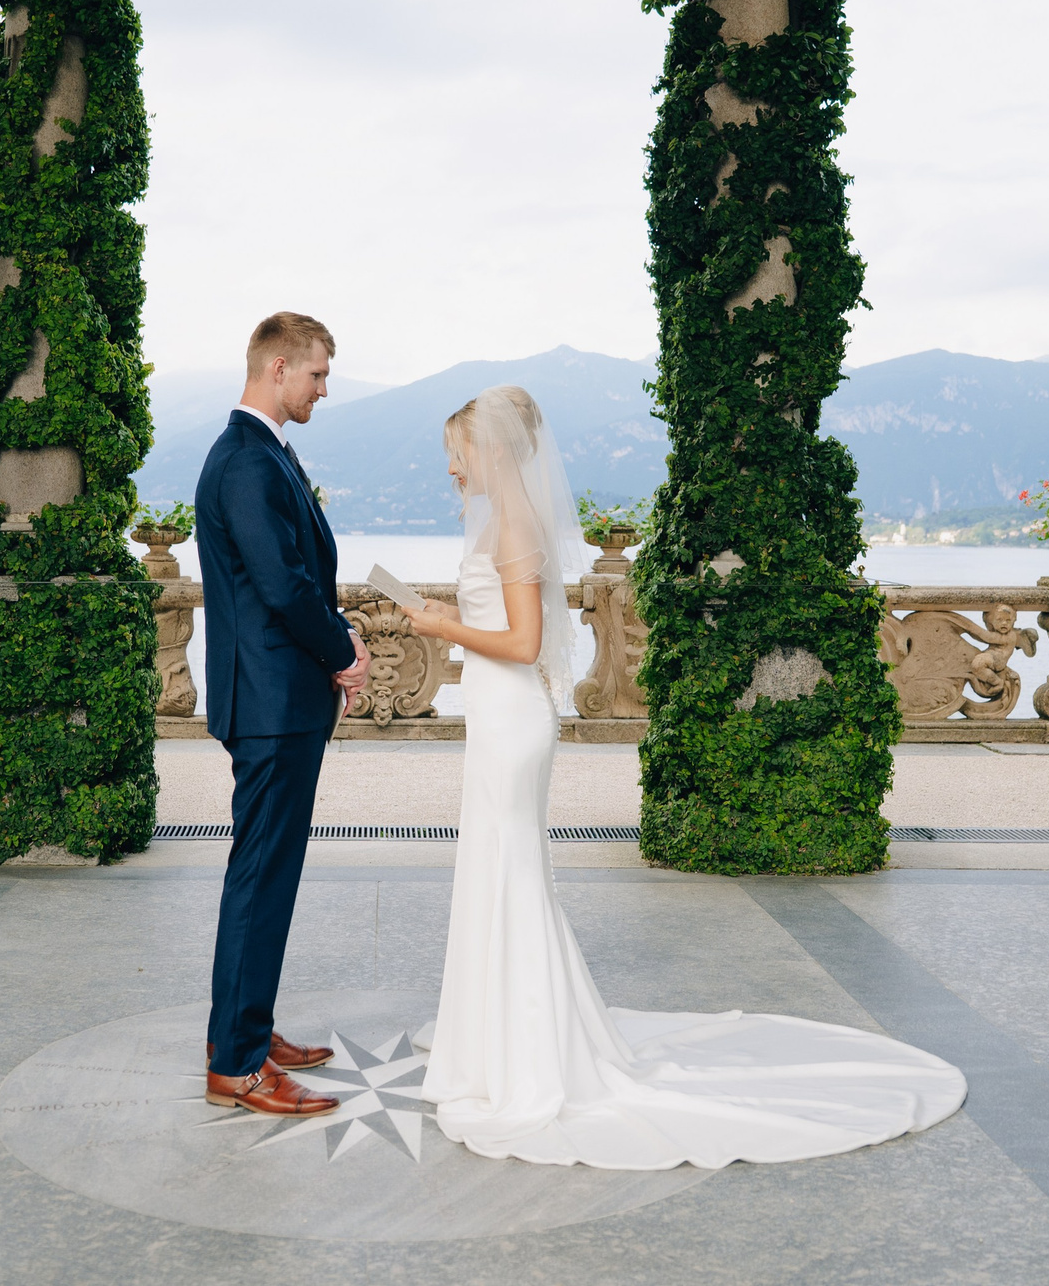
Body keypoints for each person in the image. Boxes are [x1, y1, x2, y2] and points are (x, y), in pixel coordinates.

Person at [399, 385, 968, 1169]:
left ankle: (522, 1056)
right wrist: (452, 616)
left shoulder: (515, 520)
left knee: (512, 875)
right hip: (497, 717)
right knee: (500, 871)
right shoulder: (503, 519)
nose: (452, 466)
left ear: (490, 447)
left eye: (458, 450)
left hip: (511, 718)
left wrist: (438, 625)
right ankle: (496, 1039)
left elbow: (525, 641)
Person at [194, 312, 370, 1117]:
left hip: (277, 699)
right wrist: (343, 652)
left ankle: (246, 1031)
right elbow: (284, 586)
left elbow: (295, 575)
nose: (323, 390)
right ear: (276, 367)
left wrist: (336, 640)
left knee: (263, 873)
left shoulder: (261, 454)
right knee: (261, 877)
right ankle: (237, 1063)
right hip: (271, 703)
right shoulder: (245, 461)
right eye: (318, 375)